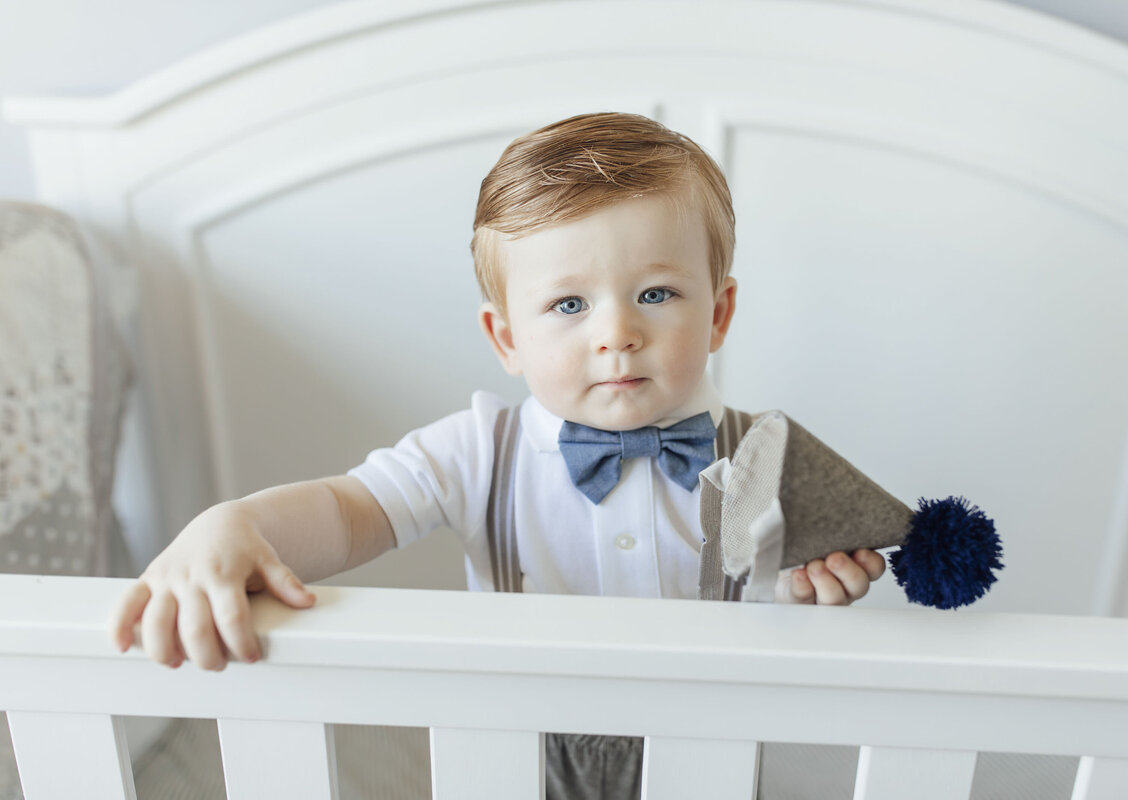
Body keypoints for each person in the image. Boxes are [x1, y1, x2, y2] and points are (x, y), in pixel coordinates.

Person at [109, 111, 886, 798]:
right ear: (507, 338)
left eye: (655, 294)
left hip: (705, 750)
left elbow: (775, 616)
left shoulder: (761, 454)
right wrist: (235, 524)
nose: (616, 332)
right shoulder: (481, 449)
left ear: (717, 313)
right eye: (570, 305)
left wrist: (801, 596)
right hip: (515, 750)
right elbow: (351, 513)